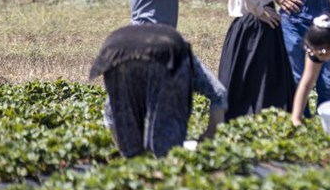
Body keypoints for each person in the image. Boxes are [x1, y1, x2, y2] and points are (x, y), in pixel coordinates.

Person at [209, 0, 295, 138]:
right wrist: (260, 11)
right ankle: (262, 123)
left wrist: (241, 3)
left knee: (239, 74)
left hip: (239, 25)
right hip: (260, 26)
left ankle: (235, 122)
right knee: (264, 76)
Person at [89, 24, 227, 157]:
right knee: (166, 149)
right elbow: (218, 93)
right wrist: (209, 136)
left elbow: (111, 113)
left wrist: (123, 147)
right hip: (166, 52)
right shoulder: (182, 54)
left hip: (114, 52)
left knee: (131, 151)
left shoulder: (178, 50)